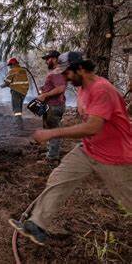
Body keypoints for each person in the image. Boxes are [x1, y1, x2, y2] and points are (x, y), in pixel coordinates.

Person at [9, 51, 132, 246]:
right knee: (60, 177)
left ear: (81, 69)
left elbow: (93, 127)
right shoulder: (82, 88)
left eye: (66, 73)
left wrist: (51, 133)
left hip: (116, 156)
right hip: (90, 149)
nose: (64, 77)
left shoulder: (102, 89)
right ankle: (37, 225)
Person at [37, 50, 67, 161]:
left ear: (54, 59)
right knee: (50, 129)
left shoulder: (57, 71)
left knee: (53, 130)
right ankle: (51, 152)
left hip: (54, 106)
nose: (46, 61)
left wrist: (45, 95)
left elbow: (60, 88)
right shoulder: (56, 71)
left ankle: (52, 157)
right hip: (51, 105)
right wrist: (44, 89)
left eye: (47, 59)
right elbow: (56, 86)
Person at [0, 57, 30, 128]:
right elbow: (18, 82)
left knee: (16, 108)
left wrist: (0, 87)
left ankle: (19, 124)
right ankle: (19, 121)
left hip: (16, 92)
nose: (10, 67)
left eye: (10, 65)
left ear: (13, 64)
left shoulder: (12, 71)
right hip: (23, 92)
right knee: (19, 107)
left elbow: (7, 82)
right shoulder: (23, 70)